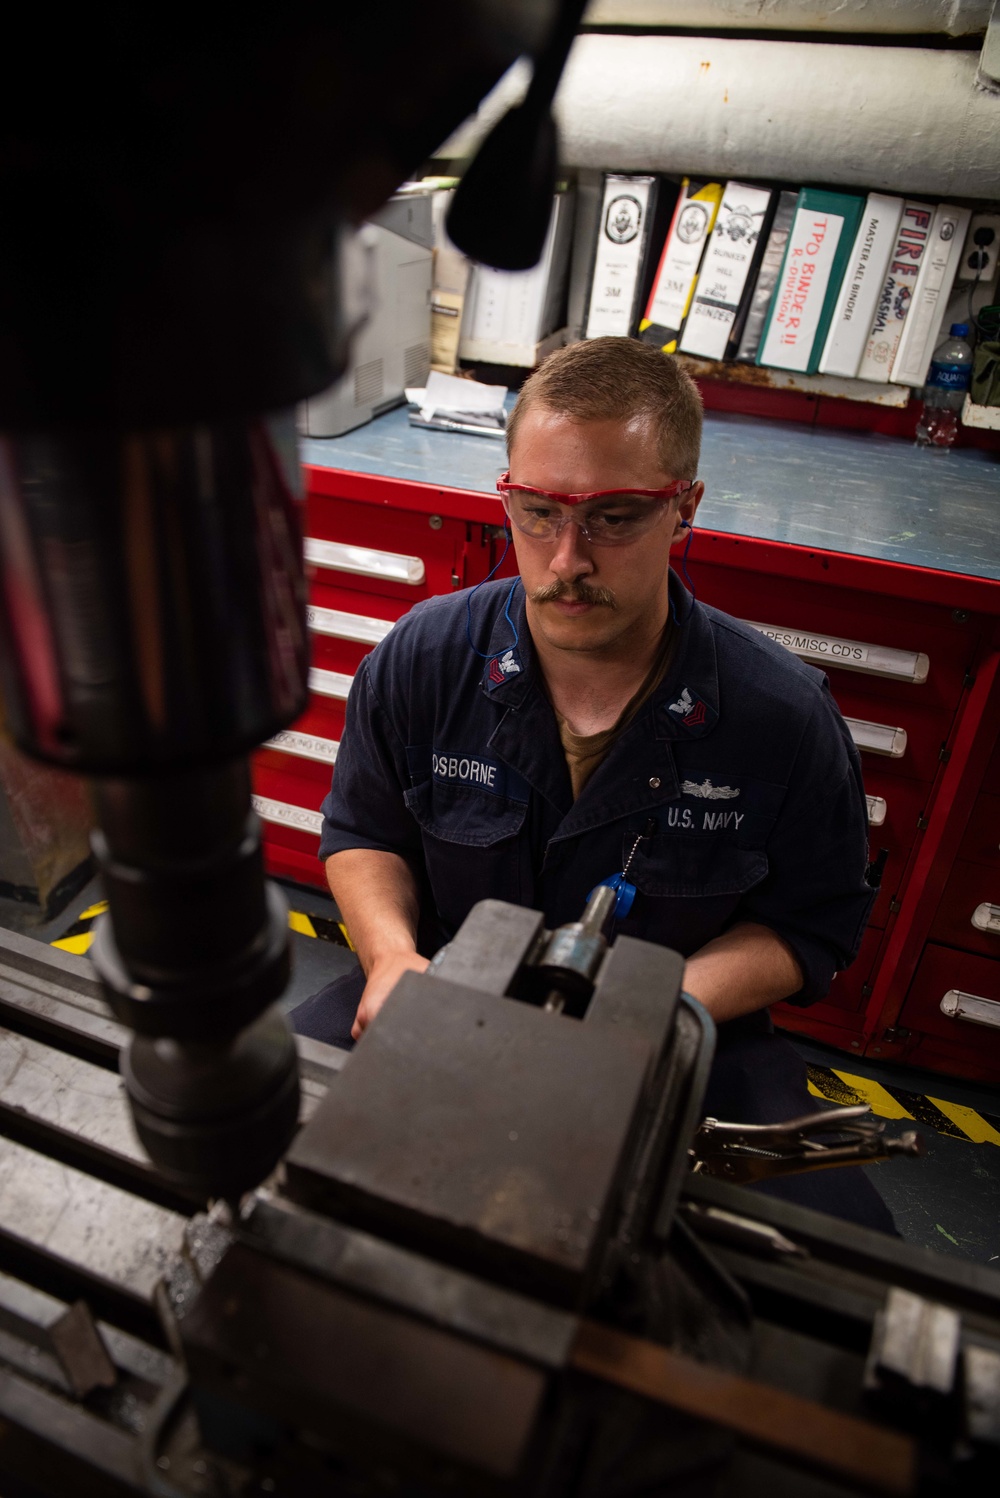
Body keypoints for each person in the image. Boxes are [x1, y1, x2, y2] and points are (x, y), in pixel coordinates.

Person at [292, 337, 895, 1233]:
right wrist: (390, 959)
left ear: (684, 509)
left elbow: (808, 930)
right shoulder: (423, 658)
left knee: (834, 1269)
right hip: (446, 991)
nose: (566, 558)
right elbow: (364, 837)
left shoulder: (783, 720)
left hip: (678, 1031)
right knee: (274, 1149)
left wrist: (667, 1006)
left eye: (613, 517)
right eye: (537, 512)